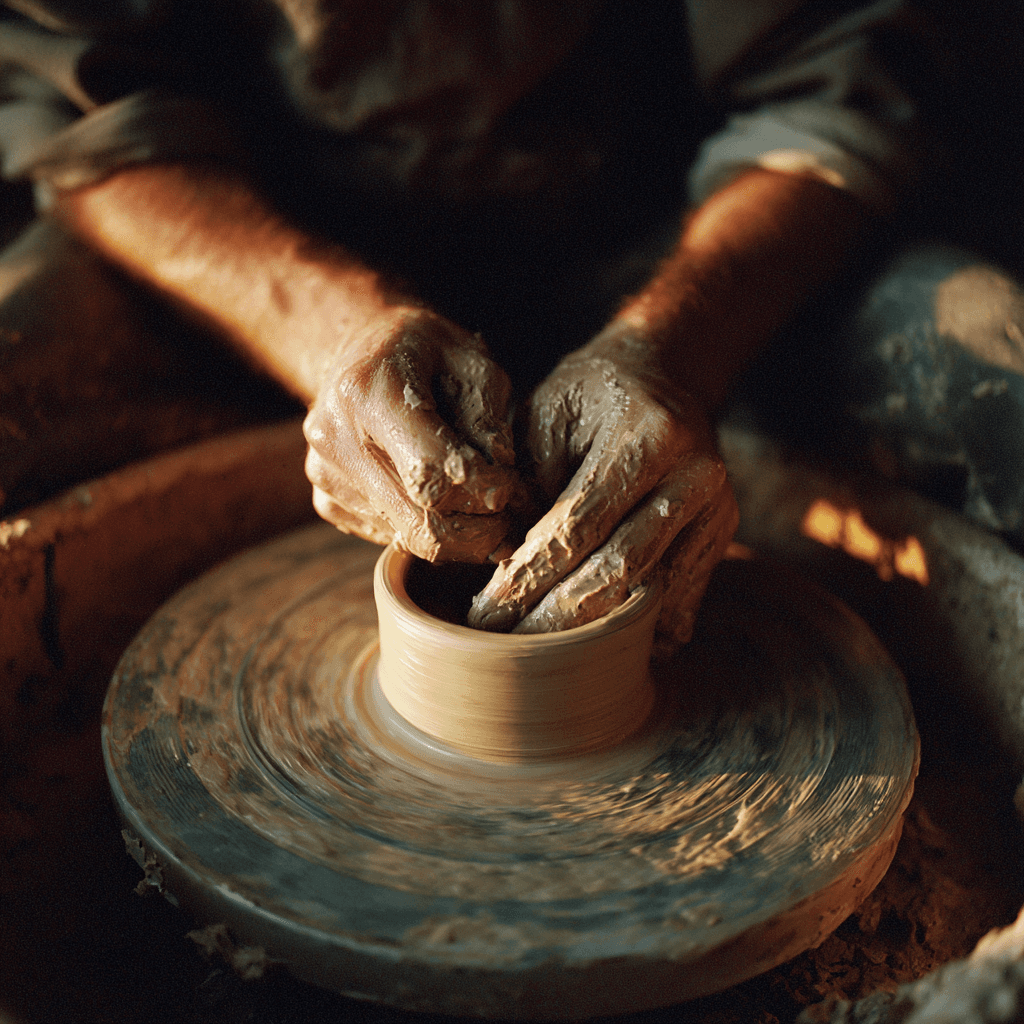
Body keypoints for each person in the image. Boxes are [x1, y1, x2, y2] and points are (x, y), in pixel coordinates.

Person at [0, 0, 983, 644]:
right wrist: (331, 326)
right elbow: (85, 101)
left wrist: (675, 348)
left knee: (992, 369)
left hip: (666, 230)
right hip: (262, 235)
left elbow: (831, 75)